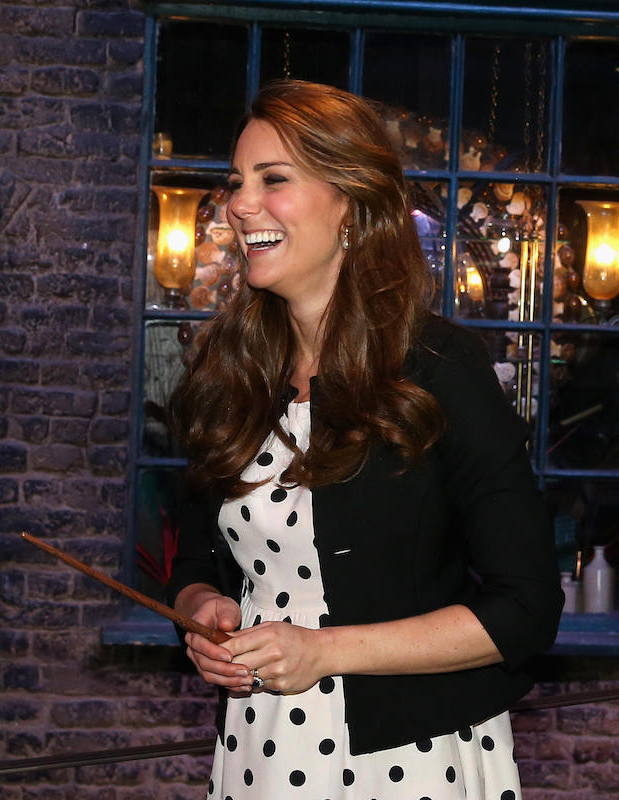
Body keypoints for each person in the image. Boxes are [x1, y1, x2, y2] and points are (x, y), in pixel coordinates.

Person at [166, 80, 562, 799]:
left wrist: (322, 651)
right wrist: (202, 614)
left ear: (349, 203)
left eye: (272, 180)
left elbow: (526, 606)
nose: (239, 204)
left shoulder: (436, 367)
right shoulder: (234, 373)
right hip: (260, 747)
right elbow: (199, 559)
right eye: (235, 182)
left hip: (407, 760)